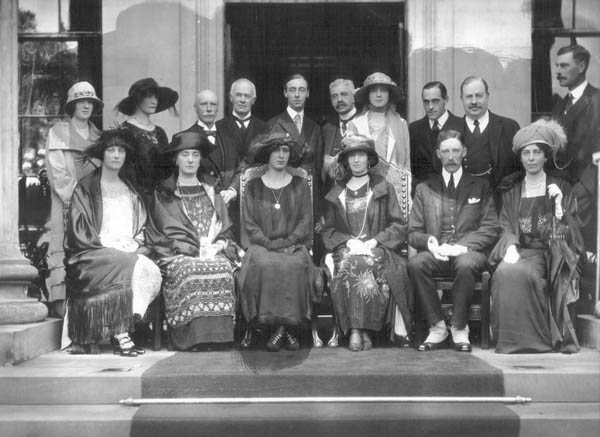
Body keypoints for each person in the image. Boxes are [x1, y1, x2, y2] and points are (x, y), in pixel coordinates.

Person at [65, 128, 162, 356]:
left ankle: (127, 322)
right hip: (92, 252)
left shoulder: (130, 188)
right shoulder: (86, 187)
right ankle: (121, 334)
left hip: (128, 248)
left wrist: (138, 242)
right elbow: (79, 232)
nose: (116, 155)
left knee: (150, 269)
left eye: (121, 151)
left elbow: (142, 225)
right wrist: (109, 247)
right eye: (111, 150)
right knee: (132, 265)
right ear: (102, 154)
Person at [489, 119, 583, 354]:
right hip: (519, 251)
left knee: (523, 274)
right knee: (503, 273)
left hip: (549, 256)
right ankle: (509, 342)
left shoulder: (560, 187)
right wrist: (510, 245)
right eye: (526, 153)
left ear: (545, 157)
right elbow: (505, 225)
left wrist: (560, 208)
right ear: (520, 158)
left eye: (536, 153)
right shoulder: (512, 190)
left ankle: (538, 340)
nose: (531, 158)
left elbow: (570, 237)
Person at [146, 131, 238, 350]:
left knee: (223, 268)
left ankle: (218, 338)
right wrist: (191, 248)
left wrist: (218, 244)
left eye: (195, 155)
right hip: (179, 253)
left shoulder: (210, 189)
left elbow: (225, 227)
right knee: (189, 269)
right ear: (175, 159)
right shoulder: (164, 192)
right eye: (184, 154)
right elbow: (160, 231)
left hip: (212, 250)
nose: (189, 160)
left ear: (200, 159)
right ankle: (192, 339)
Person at [408, 129, 498, 353]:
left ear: (464, 152)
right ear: (438, 153)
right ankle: (438, 327)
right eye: (445, 151)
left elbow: (490, 227)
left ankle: (459, 327)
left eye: (455, 150)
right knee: (415, 264)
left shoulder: (480, 185)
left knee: (465, 264)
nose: (450, 156)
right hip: (438, 253)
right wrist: (430, 243)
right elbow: (413, 232)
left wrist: (462, 247)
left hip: (469, 251)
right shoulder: (424, 188)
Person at [322, 134, 411, 352]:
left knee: (362, 264)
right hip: (346, 248)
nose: (356, 160)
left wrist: (374, 242)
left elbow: (398, 225)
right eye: (351, 156)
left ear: (369, 159)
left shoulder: (383, 187)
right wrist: (347, 242)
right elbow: (328, 229)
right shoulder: (337, 191)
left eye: (360, 155)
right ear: (346, 160)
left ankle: (363, 330)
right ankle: (357, 331)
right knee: (349, 262)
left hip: (378, 248)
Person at [238, 133, 317, 352]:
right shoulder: (253, 186)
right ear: (267, 154)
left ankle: (282, 330)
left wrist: (290, 240)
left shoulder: (300, 185)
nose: (281, 155)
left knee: (293, 264)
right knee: (264, 265)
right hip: (262, 246)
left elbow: (305, 220)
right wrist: (268, 243)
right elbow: (249, 222)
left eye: (285, 151)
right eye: (276, 150)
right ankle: (278, 328)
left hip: (293, 244)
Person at [41, 81, 103, 317]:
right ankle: (63, 305)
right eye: (81, 101)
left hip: (96, 202)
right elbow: (57, 173)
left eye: (90, 101)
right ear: (72, 105)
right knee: (65, 244)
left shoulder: (99, 136)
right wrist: (77, 196)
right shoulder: (58, 132)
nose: (86, 105)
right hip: (67, 201)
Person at [551, 44, 600, 308]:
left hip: (587, 191)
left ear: (581, 67)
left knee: (582, 246)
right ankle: (569, 304)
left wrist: (582, 189)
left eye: (564, 65)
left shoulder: (597, 101)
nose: (557, 71)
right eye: (557, 66)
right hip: (563, 188)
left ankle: (585, 301)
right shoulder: (562, 104)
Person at [348, 72, 411, 221]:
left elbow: (406, 165)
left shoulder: (401, 124)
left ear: (389, 94)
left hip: (394, 191)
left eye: (383, 90)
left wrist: (405, 197)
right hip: (364, 189)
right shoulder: (355, 124)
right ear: (367, 95)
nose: (378, 95)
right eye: (373, 90)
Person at [266, 74, 324, 217]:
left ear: (308, 93)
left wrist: (319, 208)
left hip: (309, 196)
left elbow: (318, 169)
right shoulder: (273, 125)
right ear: (285, 93)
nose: (297, 95)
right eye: (292, 90)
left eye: (301, 90)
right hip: (282, 195)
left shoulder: (315, 127)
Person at [459, 76, 520, 205]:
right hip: (462, 207)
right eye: (469, 97)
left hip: (501, 205)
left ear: (487, 96)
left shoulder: (510, 127)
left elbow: (520, 169)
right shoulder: (452, 130)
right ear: (461, 99)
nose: (474, 101)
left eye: (479, 96)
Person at [116, 77, 179, 200]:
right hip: (137, 197)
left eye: (156, 97)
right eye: (149, 96)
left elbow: (167, 169)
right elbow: (125, 172)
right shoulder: (126, 131)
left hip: (162, 198)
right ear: (137, 99)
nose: (154, 101)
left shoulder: (160, 132)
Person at [409, 81, 465, 190]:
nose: (430, 107)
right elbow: (411, 168)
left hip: (456, 192)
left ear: (446, 100)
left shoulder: (462, 125)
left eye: (435, 101)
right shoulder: (413, 129)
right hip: (424, 194)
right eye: (426, 102)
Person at [322, 78, 358, 190]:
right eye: (334, 96)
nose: (339, 100)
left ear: (354, 97)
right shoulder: (326, 128)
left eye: (344, 94)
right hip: (332, 196)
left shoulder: (364, 123)